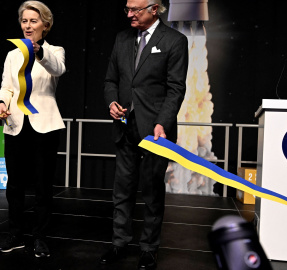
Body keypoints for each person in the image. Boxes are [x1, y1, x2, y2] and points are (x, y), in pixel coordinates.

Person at [100, 0, 188, 269]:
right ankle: (119, 242)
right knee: (122, 189)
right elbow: (110, 80)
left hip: (156, 131)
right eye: (126, 8)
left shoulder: (175, 40)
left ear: (154, 8)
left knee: (151, 190)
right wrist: (112, 102)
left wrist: (162, 122)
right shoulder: (122, 38)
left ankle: (149, 247)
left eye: (135, 9)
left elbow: (175, 89)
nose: (129, 14)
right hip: (125, 127)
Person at [0, 0, 66, 258]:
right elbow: (6, 86)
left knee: (42, 185)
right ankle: (15, 234)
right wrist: (2, 102)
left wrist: (38, 52)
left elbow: (58, 69)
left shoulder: (54, 51)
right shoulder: (12, 54)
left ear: (45, 26)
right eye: (24, 21)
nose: (27, 25)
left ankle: (40, 237)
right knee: (14, 185)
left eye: (33, 21)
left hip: (44, 125)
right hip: (15, 124)